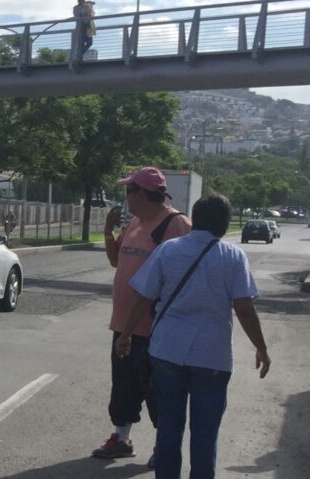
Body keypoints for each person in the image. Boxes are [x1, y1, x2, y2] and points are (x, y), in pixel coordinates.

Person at [115, 194, 271, 479]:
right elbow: (244, 308)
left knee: (169, 428)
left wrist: (126, 334)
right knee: (205, 434)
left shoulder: (168, 250)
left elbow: (144, 296)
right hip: (212, 358)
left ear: (195, 219)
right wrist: (261, 348)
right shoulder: (233, 256)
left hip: (167, 352)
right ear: (224, 224)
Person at [92, 166, 192, 466]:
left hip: (156, 328)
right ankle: (121, 439)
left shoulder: (176, 225)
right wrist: (108, 232)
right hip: (124, 324)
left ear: (142, 194)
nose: (125, 197)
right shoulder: (135, 223)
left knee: (158, 390)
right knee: (123, 384)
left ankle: (164, 446)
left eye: (128, 191)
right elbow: (116, 261)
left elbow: (186, 275)